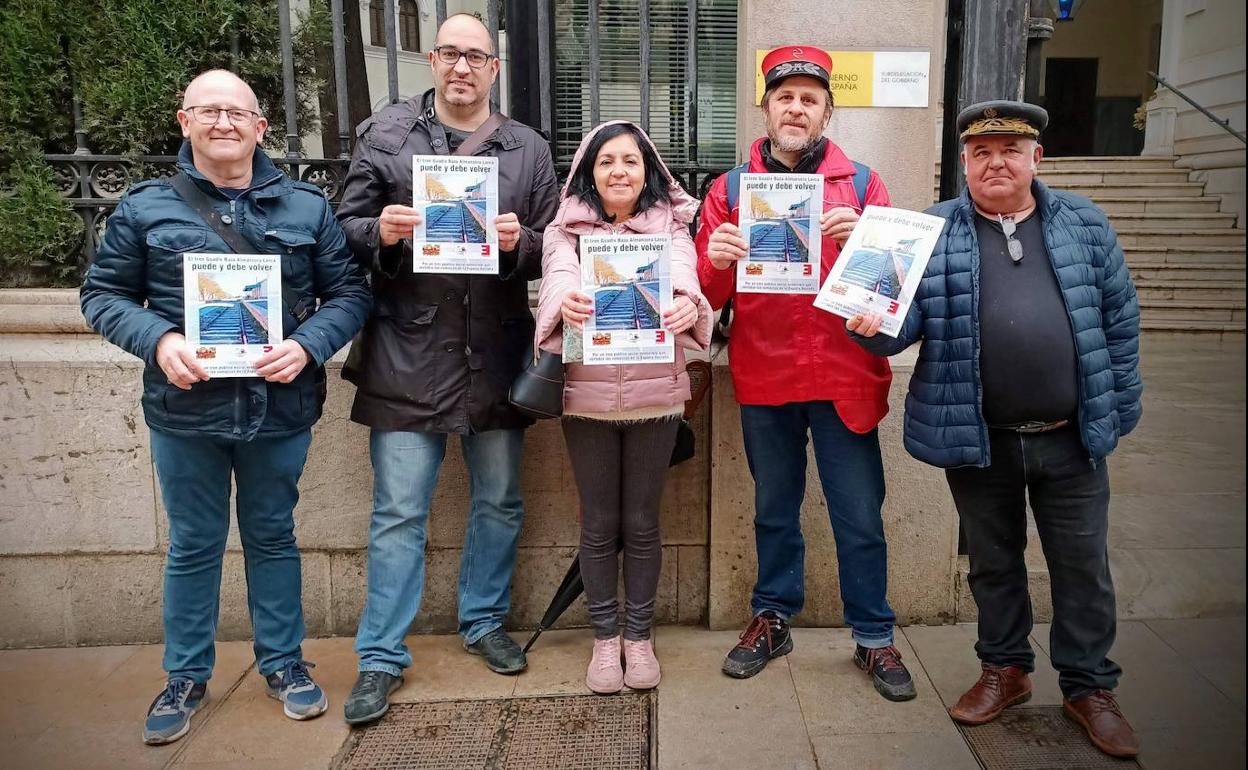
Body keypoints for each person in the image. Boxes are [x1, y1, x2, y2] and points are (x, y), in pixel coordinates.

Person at [79, 70, 371, 745]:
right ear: (184, 122)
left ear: (260, 128)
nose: (223, 123)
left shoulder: (306, 208)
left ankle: (285, 665)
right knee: (193, 545)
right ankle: (185, 675)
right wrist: (159, 339)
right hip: (186, 413)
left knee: (273, 537)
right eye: (207, 111)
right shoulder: (147, 207)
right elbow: (102, 296)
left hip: (279, 406)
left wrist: (306, 346)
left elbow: (351, 294)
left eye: (237, 112)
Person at [849, 100, 1143, 758]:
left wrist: (1117, 408)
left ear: (1037, 158)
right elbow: (898, 327)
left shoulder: (1085, 225)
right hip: (979, 440)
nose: (996, 161)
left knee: (1083, 570)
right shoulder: (926, 230)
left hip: (1073, 438)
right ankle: (1004, 670)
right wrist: (867, 325)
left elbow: (1121, 322)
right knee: (993, 567)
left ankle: (1089, 685)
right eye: (981, 152)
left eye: (1011, 149)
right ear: (963, 164)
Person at [334, 13, 559, 724]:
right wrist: (384, 233)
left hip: (494, 353)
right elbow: (342, 230)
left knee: (499, 501)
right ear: (433, 61)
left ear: (495, 68)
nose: (463, 67)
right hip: (407, 353)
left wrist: (522, 243)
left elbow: (559, 248)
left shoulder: (526, 149)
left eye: (477, 57)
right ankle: (379, 657)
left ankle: (485, 621)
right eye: (451, 54)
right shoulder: (389, 135)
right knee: (398, 512)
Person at [696, 46, 915, 701]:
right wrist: (717, 257)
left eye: (809, 99)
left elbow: (886, 302)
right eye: (784, 96)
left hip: (846, 376)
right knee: (773, 511)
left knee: (859, 516)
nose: (796, 107)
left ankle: (874, 636)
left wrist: (863, 245)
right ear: (765, 107)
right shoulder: (729, 190)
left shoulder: (866, 184)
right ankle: (773, 616)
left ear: (826, 111)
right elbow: (705, 300)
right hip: (766, 376)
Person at [534, 121, 711, 693]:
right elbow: (557, 282)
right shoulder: (565, 234)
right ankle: (604, 640)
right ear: (589, 170)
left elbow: (687, 281)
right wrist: (569, 304)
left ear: (648, 172)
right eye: (606, 161)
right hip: (587, 398)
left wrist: (687, 304)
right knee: (598, 524)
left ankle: (639, 636)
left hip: (655, 397)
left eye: (630, 161)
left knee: (641, 523)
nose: (618, 171)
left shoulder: (673, 232)